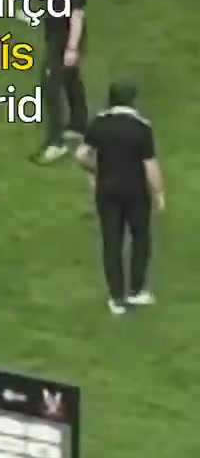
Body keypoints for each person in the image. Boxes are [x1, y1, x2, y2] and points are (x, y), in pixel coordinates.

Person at [76, 83, 165, 315]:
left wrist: (95, 170)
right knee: (140, 239)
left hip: (107, 191)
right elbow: (150, 165)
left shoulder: (99, 124)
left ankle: (116, 298)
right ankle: (137, 290)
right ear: (132, 100)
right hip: (136, 192)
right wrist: (159, 193)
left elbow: (81, 155)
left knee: (112, 242)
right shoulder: (141, 128)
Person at [33, 0, 89, 164]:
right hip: (56, 36)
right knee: (70, 79)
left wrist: (72, 48)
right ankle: (79, 125)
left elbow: (77, 15)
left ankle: (55, 143)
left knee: (50, 86)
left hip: (64, 39)